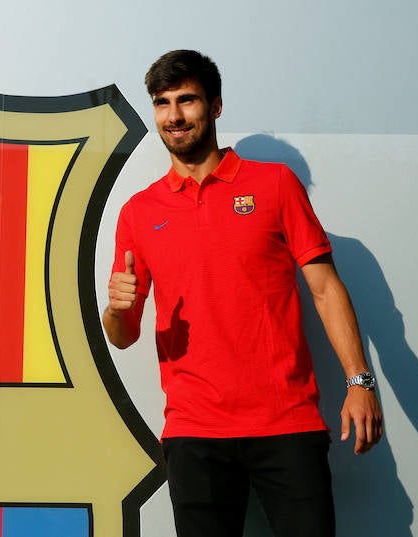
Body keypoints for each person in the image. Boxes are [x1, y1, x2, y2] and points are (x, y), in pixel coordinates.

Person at [103, 50, 383, 537]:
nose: (174, 116)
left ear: (215, 106)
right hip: (194, 434)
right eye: (162, 103)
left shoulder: (274, 185)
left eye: (187, 100)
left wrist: (359, 383)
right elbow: (123, 336)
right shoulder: (138, 211)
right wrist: (116, 308)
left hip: (288, 425)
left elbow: (325, 288)